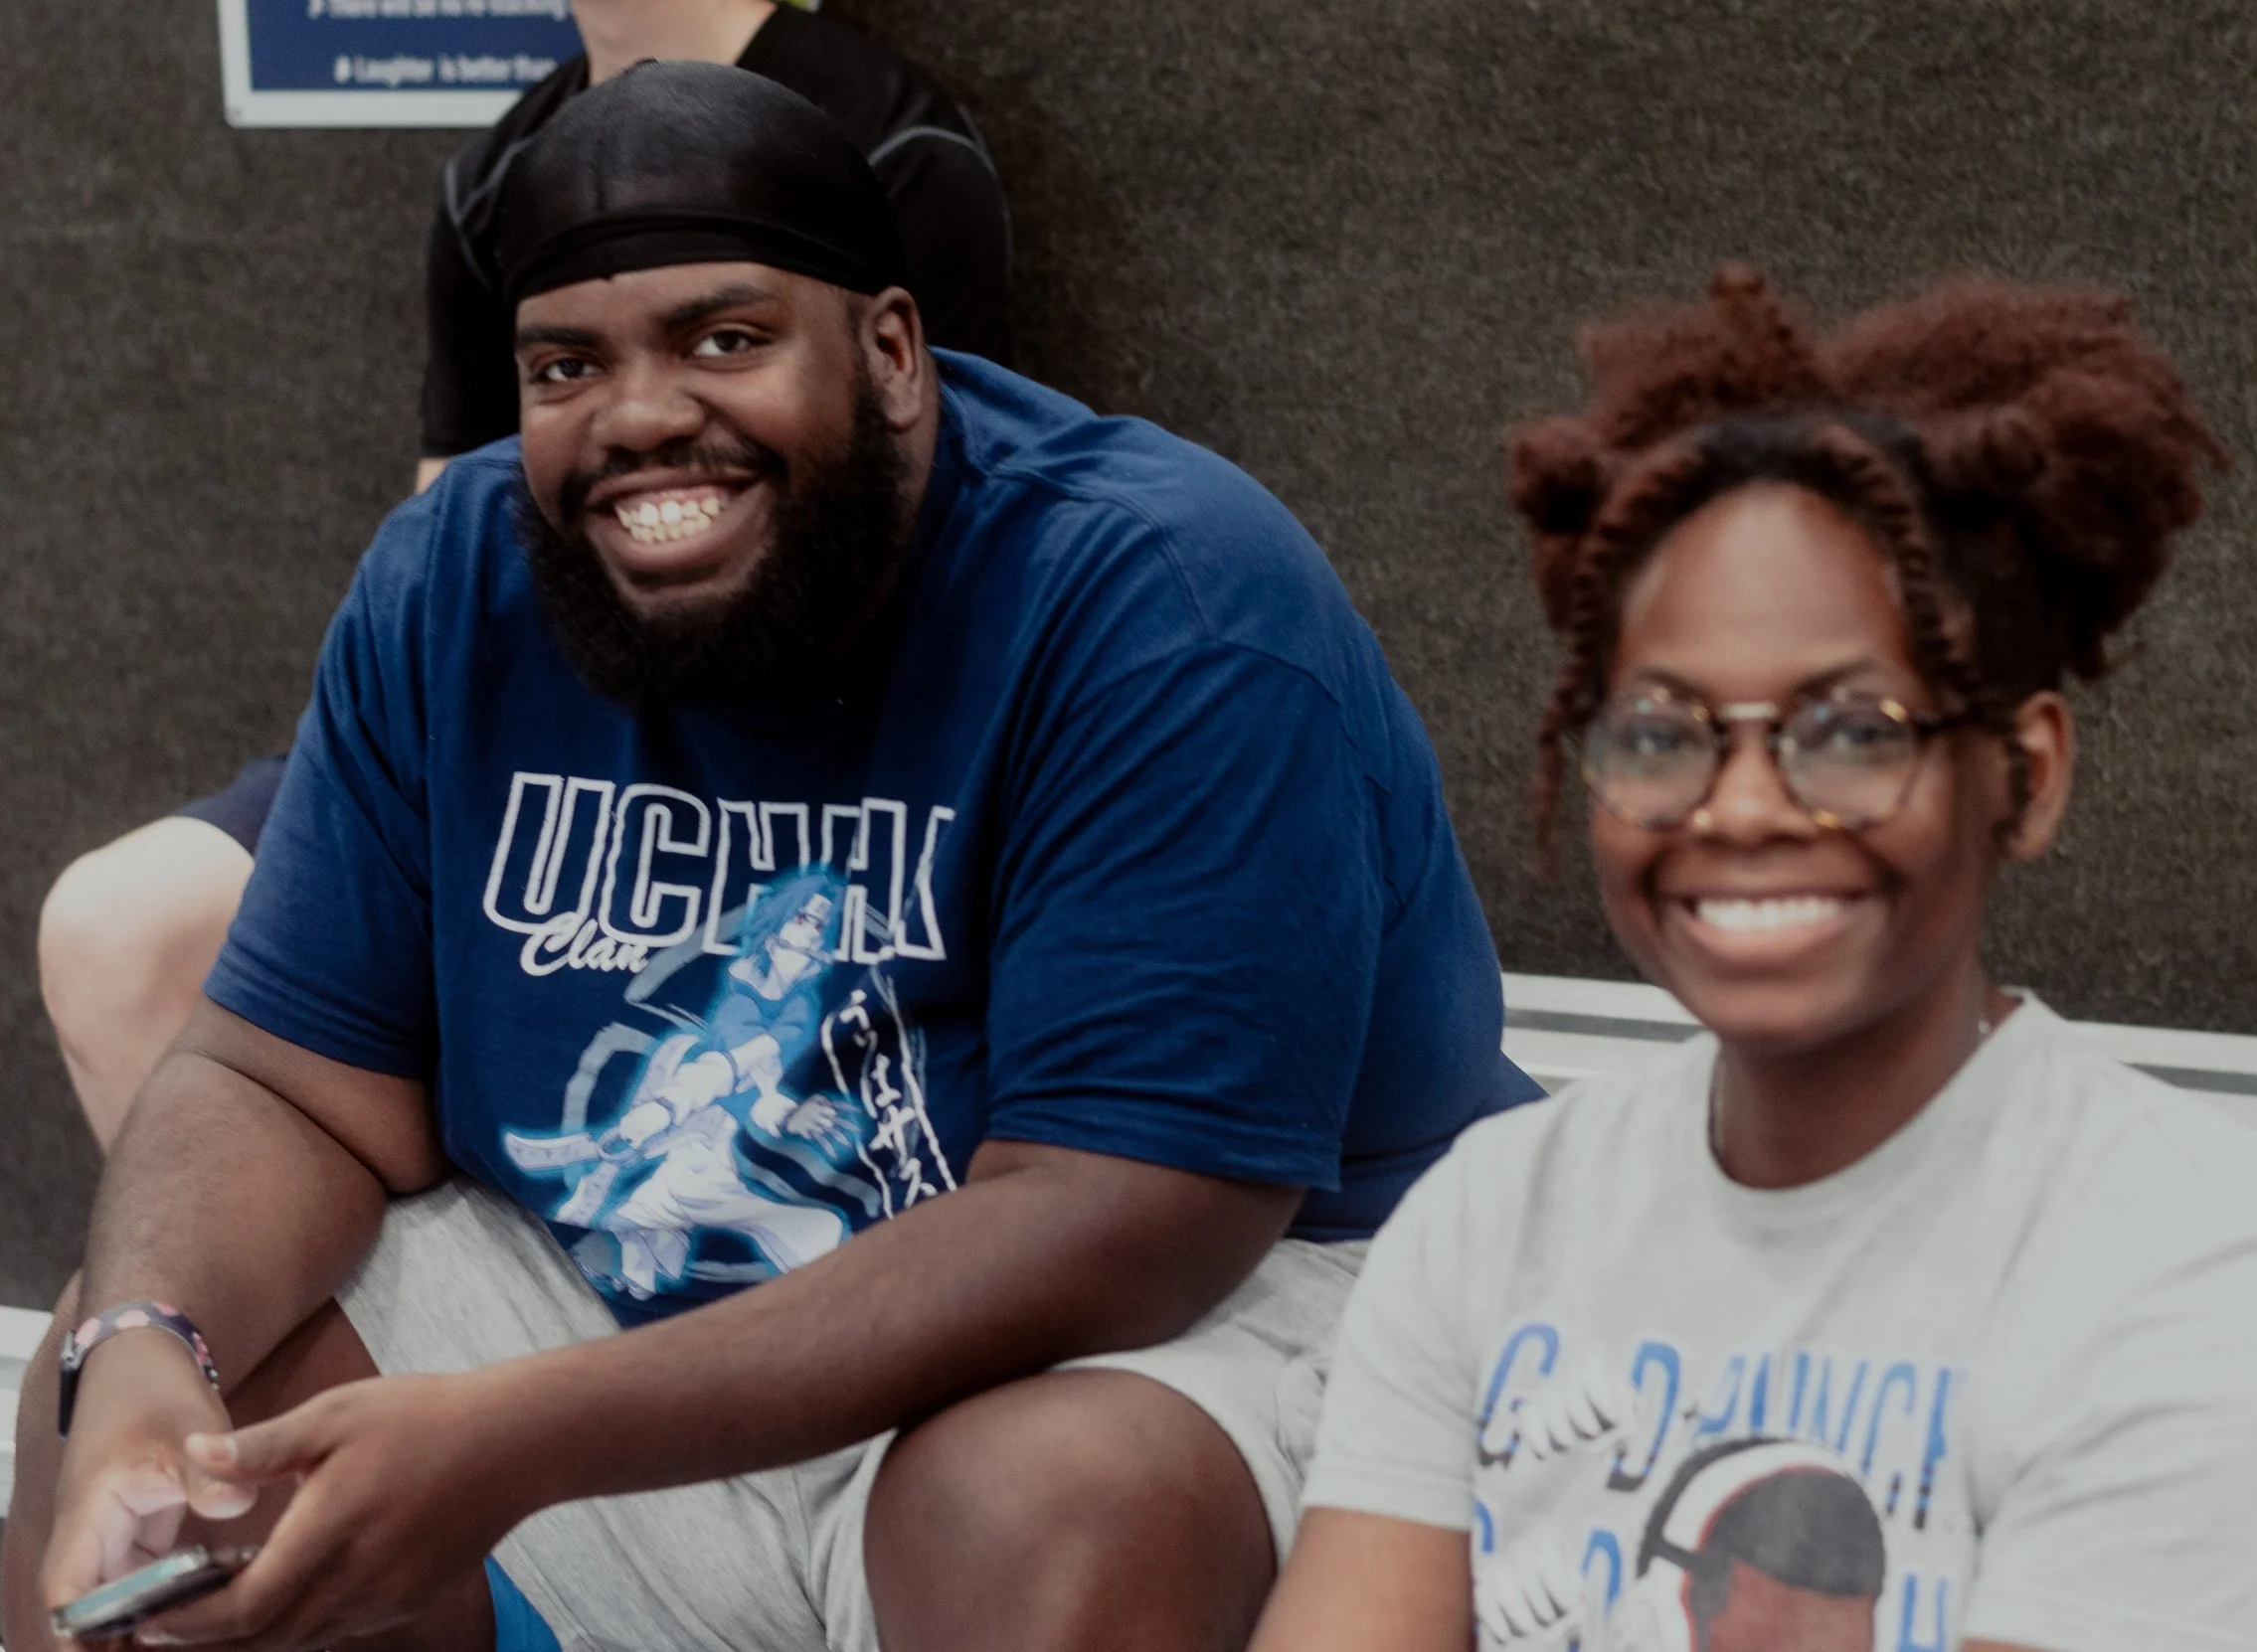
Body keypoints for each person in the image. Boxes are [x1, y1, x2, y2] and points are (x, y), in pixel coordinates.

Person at [3, 63, 1536, 1652]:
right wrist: (142, 1345)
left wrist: (516, 1437)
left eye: (724, 339)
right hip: (647, 1301)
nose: (641, 416)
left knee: (1035, 1507)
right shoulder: (454, 577)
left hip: (1202, 1310)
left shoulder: (1161, 597)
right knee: (144, 1444)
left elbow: (1122, 1219)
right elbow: (282, 1082)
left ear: (892, 353)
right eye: (566, 366)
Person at [1248, 267, 2257, 1652]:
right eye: (1662, 732)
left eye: (1852, 733)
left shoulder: (2187, 1278)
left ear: (2024, 774)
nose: (1741, 808)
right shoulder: (1489, 1221)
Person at [36, 0, 1011, 1150]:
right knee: (117, 930)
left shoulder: (893, 147)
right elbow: (457, 546)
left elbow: (925, 516)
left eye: (724, 339)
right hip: (547, 712)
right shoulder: (495, 177)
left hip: (813, 738)